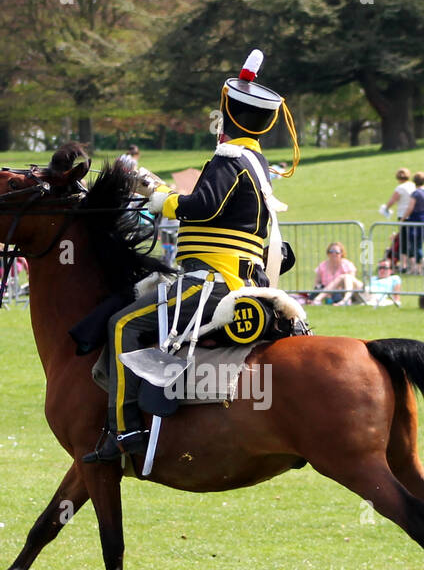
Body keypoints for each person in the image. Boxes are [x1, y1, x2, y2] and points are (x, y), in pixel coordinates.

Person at [88, 48, 298, 462]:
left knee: (120, 325)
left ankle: (126, 432)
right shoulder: (257, 160)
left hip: (212, 283)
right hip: (239, 278)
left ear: (229, 113)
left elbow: (201, 206)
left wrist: (158, 197)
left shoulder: (229, 158)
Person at [402, 172, 424, 274]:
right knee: (418, 244)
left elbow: (410, 207)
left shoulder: (416, 193)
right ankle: (417, 268)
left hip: (417, 221)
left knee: (416, 245)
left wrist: (403, 218)